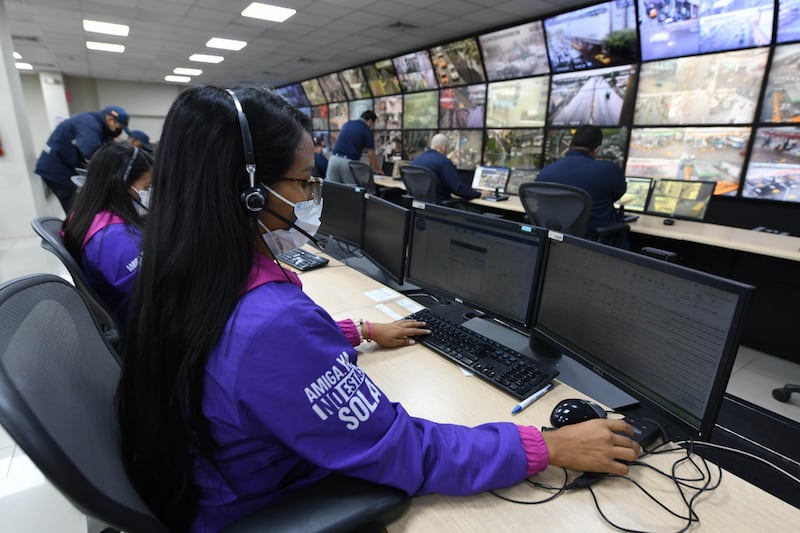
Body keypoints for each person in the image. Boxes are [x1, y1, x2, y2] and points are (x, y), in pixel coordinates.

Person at [116, 85, 640, 533]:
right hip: (267, 507)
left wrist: (356, 329)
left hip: (207, 490)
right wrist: (547, 446)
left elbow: (254, 363)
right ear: (249, 192)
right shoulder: (271, 323)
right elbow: (401, 450)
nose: (311, 194)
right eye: (302, 181)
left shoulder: (182, 271)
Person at [62, 142, 153, 325]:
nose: (147, 193)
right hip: (135, 322)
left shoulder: (87, 213)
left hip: (114, 306)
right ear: (121, 184)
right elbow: (152, 290)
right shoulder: (113, 238)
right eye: (146, 186)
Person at [536, 125, 629, 249]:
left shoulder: (545, 172)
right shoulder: (609, 170)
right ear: (597, 150)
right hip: (594, 243)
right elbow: (617, 194)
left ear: (569, 145)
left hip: (554, 242)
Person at [35, 105, 131, 212]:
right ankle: (76, 227)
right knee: (75, 205)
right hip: (55, 168)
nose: (119, 131)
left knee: (81, 201)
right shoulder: (89, 123)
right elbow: (91, 151)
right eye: (119, 127)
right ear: (110, 119)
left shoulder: (99, 124)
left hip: (65, 165)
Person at [411, 133, 491, 204]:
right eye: (448, 149)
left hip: (419, 207)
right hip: (440, 208)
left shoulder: (417, 160)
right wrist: (480, 194)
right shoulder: (443, 161)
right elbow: (458, 189)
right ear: (443, 147)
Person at [325, 110, 381, 183]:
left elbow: (339, 138)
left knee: (332, 188)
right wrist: (377, 169)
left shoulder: (348, 124)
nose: (372, 126)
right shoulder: (367, 130)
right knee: (351, 191)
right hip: (348, 163)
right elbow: (371, 153)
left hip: (334, 159)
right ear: (370, 121)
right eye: (373, 123)